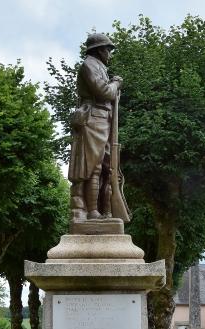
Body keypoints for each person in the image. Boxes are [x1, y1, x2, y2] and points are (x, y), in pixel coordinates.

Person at [68, 33, 123, 222]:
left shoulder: (99, 66)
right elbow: (104, 91)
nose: (109, 54)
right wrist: (115, 83)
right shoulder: (89, 65)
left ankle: (104, 211)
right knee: (94, 166)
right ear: (100, 50)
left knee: (107, 168)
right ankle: (92, 211)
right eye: (108, 49)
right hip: (94, 118)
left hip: (102, 119)